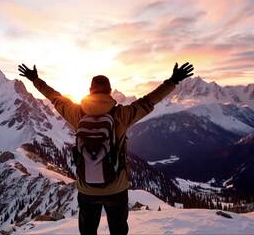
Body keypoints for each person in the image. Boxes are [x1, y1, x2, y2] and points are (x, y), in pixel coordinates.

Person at [18, 62, 194, 235]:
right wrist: (173, 81)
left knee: (88, 231)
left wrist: (35, 80)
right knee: (118, 230)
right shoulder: (121, 115)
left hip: (86, 189)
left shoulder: (77, 114)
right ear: (110, 92)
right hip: (115, 189)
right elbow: (148, 101)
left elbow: (55, 98)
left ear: (90, 92)